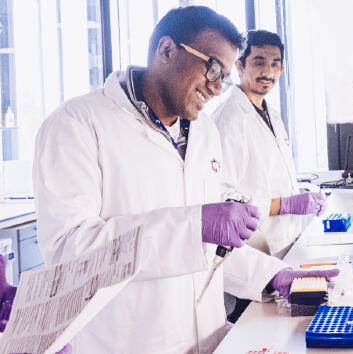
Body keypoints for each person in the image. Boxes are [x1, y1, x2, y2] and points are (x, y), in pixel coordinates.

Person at [32, 7, 337, 354]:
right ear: (166, 50)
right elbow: (70, 254)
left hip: (209, 338)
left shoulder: (203, 130)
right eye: (213, 68)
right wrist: (194, 225)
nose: (220, 86)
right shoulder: (77, 124)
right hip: (132, 343)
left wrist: (271, 275)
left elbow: (211, 247)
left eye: (224, 74)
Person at [213, 30, 326, 258]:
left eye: (275, 64)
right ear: (240, 66)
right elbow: (223, 198)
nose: (267, 72)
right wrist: (285, 205)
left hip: (286, 244)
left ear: (282, 70)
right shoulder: (228, 119)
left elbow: (267, 176)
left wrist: (300, 194)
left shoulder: (271, 113)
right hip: (256, 250)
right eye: (259, 62)